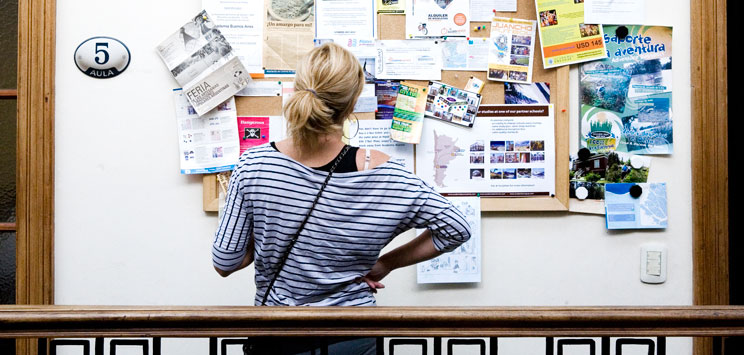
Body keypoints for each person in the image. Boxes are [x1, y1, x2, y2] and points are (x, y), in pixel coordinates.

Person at [212, 43, 471, 354]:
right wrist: (384, 264)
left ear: (296, 89)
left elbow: (225, 262)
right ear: (352, 104)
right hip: (354, 336)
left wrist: (267, 230)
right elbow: (456, 228)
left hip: (279, 336)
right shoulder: (386, 174)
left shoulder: (254, 165)